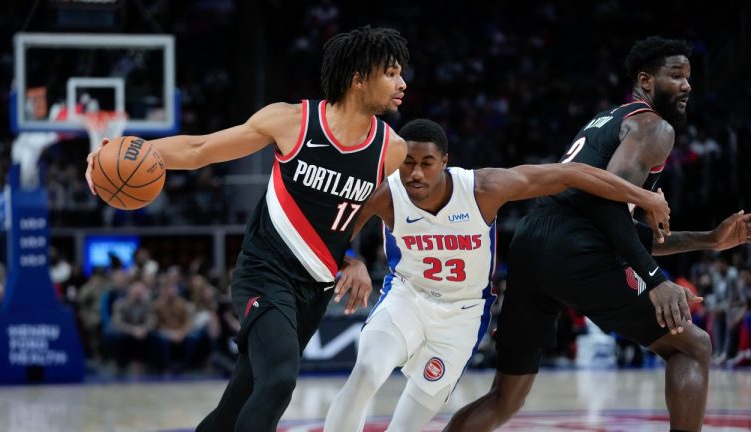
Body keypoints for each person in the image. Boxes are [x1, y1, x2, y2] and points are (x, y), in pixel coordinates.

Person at [85, 25, 410, 431]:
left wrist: (352, 257)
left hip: (314, 289)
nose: (402, 83)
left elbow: (369, 209)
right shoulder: (292, 122)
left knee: (237, 405)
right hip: (264, 271)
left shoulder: (392, 149)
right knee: (277, 381)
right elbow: (198, 149)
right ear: (359, 78)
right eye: (391, 73)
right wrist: (121, 153)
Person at [444, 36, 750, 432]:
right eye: (676, 76)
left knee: (506, 397)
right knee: (693, 346)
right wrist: (655, 280)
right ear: (646, 80)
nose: (687, 85)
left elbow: (626, 229)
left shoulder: (608, 119)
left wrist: (710, 239)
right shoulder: (653, 127)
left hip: (533, 240)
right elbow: (602, 206)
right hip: (574, 244)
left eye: (689, 77)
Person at [323, 118, 671, 432]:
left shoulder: (483, 189)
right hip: (407, 298)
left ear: (445, 162)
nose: (415, 174)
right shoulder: (385, 194)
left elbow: (572, 174)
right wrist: (351, 261)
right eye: (408, 163)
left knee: (406, 426)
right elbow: (332, 239)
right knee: (366, 371)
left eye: (427, 164)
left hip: (462, 316)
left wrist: (644, 197)